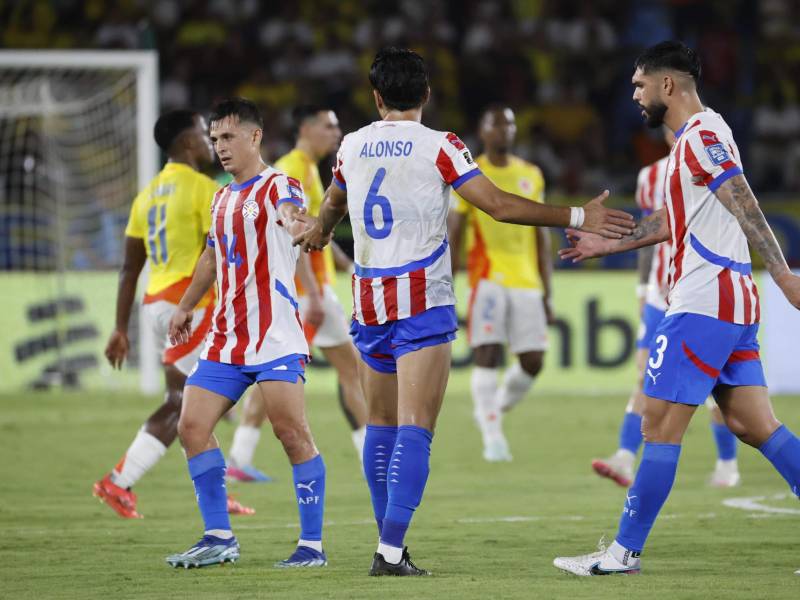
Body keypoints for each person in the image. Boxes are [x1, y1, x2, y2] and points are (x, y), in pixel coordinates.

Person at [293, 47, 634, 576]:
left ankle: (390, 548)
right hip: (421, 300)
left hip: (369, 299)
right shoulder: (441, 146)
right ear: (427, 94)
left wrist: (316, 231)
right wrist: (576, 214)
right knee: (415, 428)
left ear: (376, 96)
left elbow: (333, 204)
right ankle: (388, 552)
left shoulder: (352, 145)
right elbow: (497, 204)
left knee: (380, 425)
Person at [554, 41, 800, 576]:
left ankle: (622, 554)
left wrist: (783, 274)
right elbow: (675, 220)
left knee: (657, 425)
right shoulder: (696, 138)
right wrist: (607, 245)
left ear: (668, 85)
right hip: (726, 301)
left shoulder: (704, 135)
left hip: (704, 301)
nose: (635, 95)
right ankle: (622, 552)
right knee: (754, 424)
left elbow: (743, 198)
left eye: (640, 85)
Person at [164, 98, 327, 569]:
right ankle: (218, 536)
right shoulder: (220, 197)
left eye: (228, 137)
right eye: (214, 139)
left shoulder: (280, 185)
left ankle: (311, 546)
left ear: (255, 136)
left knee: (292, 434)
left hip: (274, 335)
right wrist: (186, 306)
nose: (220, 147)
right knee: (191, 427)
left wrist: (305, 226)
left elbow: (294, 215)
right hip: (226, 338)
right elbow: (211, 258)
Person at [94, 109, 253, 518]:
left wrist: (119, 327)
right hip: (190, 308)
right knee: (188, 401)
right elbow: (215, 254)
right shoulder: (204, 190)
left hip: (155, 305)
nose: (211, 144)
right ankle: (117, 482)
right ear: (186, 143)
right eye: (204, 135)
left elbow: (131, 266)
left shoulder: (146, 194)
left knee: (198, 401)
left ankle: (215, 495)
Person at [591, 127, 741, 488]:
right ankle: (626, 457)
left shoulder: (715, 160)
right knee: (645, 373)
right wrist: (643, 288)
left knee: (714, 385)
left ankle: (727, 464)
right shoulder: (651, 176)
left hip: (701, 290)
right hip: (661, 295)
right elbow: (647, 236)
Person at [226, 105, 368, 482]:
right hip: (305, 294)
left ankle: (239, 455)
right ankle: (370, 453)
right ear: (305, 128)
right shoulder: (293, 168)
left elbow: (318, 233)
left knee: (338, 369)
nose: (336, 133)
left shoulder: (305, 168)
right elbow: (296, 238)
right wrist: (315, 295)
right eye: (328, 125)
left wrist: (349, 266)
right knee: (347, 370)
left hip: (307, 291)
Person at [448, 104, 552, 462]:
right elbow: (456, 230)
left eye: (509, 123)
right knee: (487, 353)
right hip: (486, 276)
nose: (504, 130)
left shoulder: (532, 174)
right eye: (496, 124)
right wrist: (449, 280)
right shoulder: (469, 173)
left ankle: (489, 412)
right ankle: (493, 438)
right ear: (483, 130)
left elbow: (540, 236)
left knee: (534, 361)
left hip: (526, 280)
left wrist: (547, 291)